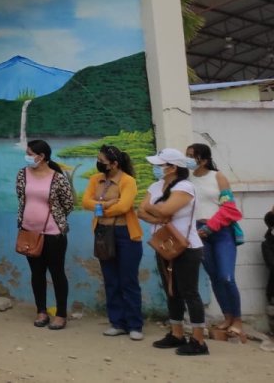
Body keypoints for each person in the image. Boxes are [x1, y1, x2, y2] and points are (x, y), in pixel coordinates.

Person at [139, 148, 208, 356]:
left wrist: (159, 212)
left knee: (190, 292)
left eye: (161, 165)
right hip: (163, 244)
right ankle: (176, 333)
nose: (157, 168)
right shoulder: (156, 185)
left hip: (185, 247)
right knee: (172, 291)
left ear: (173, 167)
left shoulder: (185, 187)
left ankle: (198, 340)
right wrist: (158, 217)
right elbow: (141, 210)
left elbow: (164, 210)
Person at [82, 145, 144, 340]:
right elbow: (85, 202)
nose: (99, 163)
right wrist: (107, 204)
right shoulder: (95, 179)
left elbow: (125, 206)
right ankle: (117, 322)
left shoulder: (128, 181)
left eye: (103, 161)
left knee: (128, 280)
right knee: (111, 280)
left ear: (115, 163)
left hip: (126, 233)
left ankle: (134, 324)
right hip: (103, 232)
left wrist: (100, 207)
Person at [16, 140, 74, 330]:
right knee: (37, 273)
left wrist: (53, 217)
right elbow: (21, 197)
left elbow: (68, 204)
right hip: (29, 232)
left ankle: (61, 314)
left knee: (57, 273)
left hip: (53, 233)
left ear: (41, 157)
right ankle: (41, 311)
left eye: (30, 153)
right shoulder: (22, 174)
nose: (27, 156)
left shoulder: (57, 178)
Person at [187, 143, 244, 336]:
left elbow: (230, 209)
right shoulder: (187, 180)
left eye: (191, 156)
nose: (188, 160)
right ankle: (227, 316)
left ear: (203, 159)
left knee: (226, 277)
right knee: (214, 277)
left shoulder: (218, 177)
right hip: (197, 231)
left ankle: (237, 319)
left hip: (220, 232)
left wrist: (210, 227)